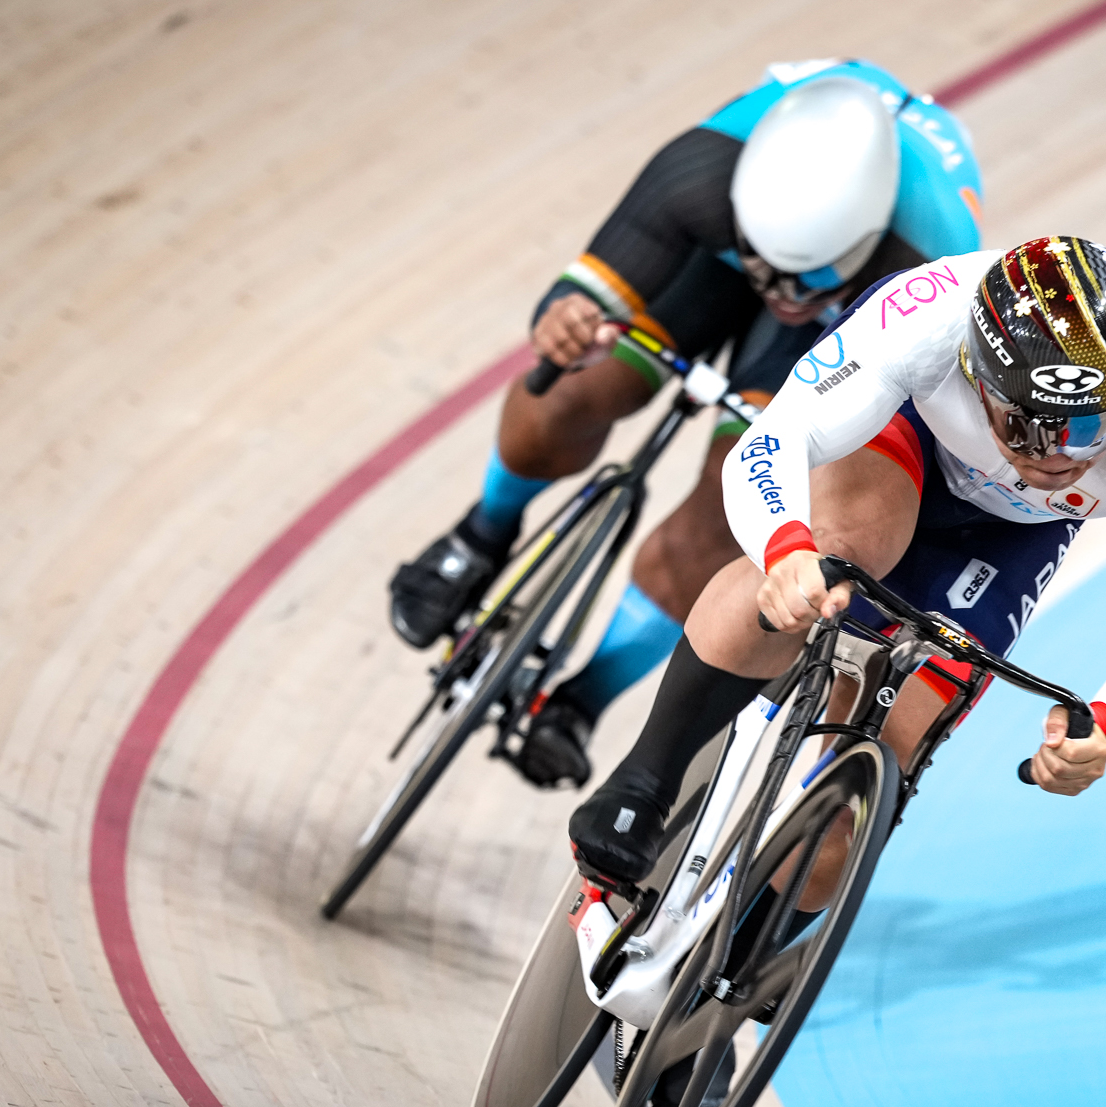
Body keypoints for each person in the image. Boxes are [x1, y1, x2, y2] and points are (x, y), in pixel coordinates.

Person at [567, 236, 1106, 898]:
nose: (1058, 457)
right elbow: (776, 438)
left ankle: (756, 954)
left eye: (1091, 428)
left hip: (1017, 535)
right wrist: (785, 547)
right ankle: (645, 780)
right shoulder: (928, 314)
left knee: (893, 744)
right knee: (841, 548)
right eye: (1026, 427)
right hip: (904, 438)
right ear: (978, 374)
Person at [387, 60, 984, 791]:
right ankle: (480, 534)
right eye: (767, 270)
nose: (779, 294)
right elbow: (582, 291)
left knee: (727, 512)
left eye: (802, 280)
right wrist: (570, 318)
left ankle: (580, 700)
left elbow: (876, 414)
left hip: (847, 320)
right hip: (715, 255)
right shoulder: (699, 172)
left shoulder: (926, 260)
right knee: (572, 391)